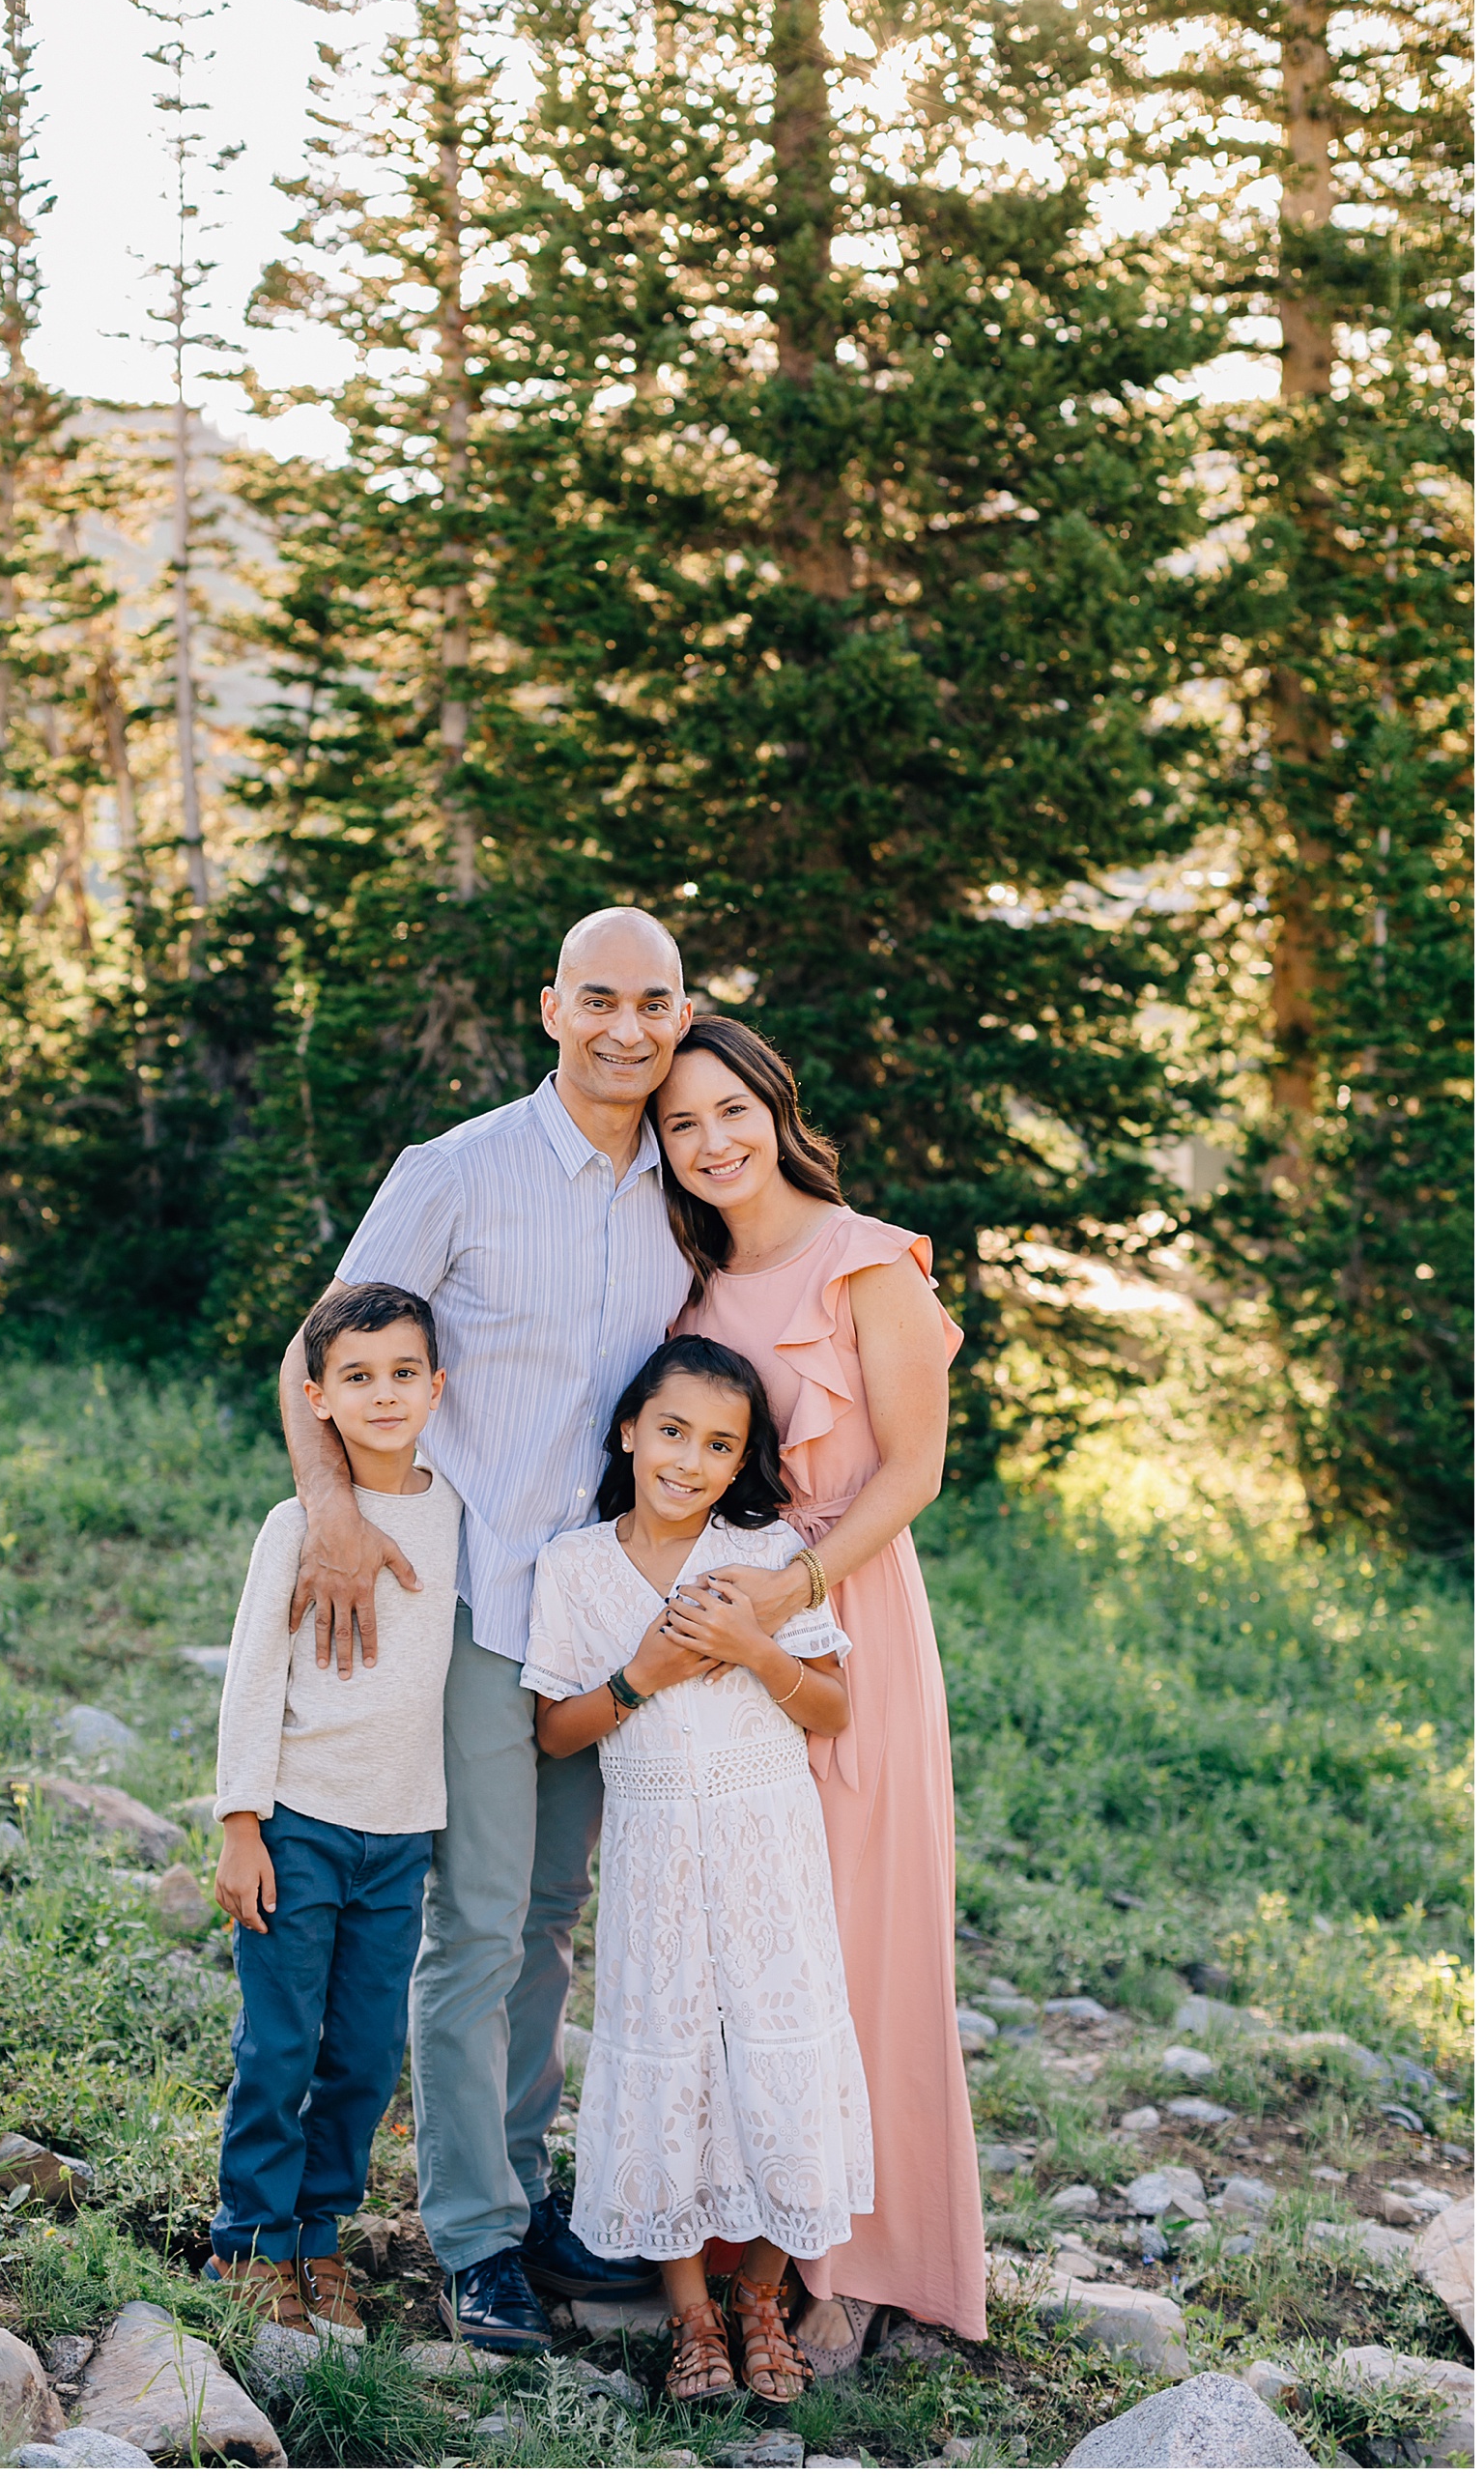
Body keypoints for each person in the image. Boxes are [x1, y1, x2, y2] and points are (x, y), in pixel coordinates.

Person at [274, 909, 725, 2352]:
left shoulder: (689, 1193)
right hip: (472, 1596)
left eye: (652, 1003)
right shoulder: (455, 1168)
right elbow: (315, 1347)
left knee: (544, 1920)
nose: (624, 1029)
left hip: (607, 1611)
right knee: (473, 1921)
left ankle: (522, 2198)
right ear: (549, 1007)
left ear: (681, 1011)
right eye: (597, 999)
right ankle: (470, 2238)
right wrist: (334, 1513)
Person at [653, 1013, 988, 2364]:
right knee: (742, 1933)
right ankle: (735, 2240)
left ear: (775, 1105)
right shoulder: (686, 1288)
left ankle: (855, 2256)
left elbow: (910, 1470)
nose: (712, 1140)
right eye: (682, 1124)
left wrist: (792, 1587)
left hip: (851, 1615)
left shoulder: (870, 1262)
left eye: (730, 1107)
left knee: (857, 1925)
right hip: (723, 1642)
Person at [523, 1337, 870, 2405]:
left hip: (769, 1843)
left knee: (780, 2050)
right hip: (656, 1848)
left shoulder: (763, 1550)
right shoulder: (575, 1567)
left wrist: (757, 1645)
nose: (689, 1458)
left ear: (739, 1463)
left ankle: (762, 2295)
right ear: (629, 1429)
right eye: (672, 1431)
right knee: (666, 2049)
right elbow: (554, 1729)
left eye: (719, 1444)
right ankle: (689, 2316)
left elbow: (831, 1705)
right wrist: (647, 1671)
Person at [209, 1280, 462, 2335]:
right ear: (317, 1396)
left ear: (438, 1386)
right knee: (280, 2044)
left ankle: (321, 2238)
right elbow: (252, 1671)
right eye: (357, 1376)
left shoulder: (455, 1512)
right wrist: (240, 1822)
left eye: (404, 1372)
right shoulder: (299, 1524)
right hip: (299, 1823)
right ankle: (251, 2241)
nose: (385, 1392)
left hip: (400, 1834)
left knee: (362, 2052)